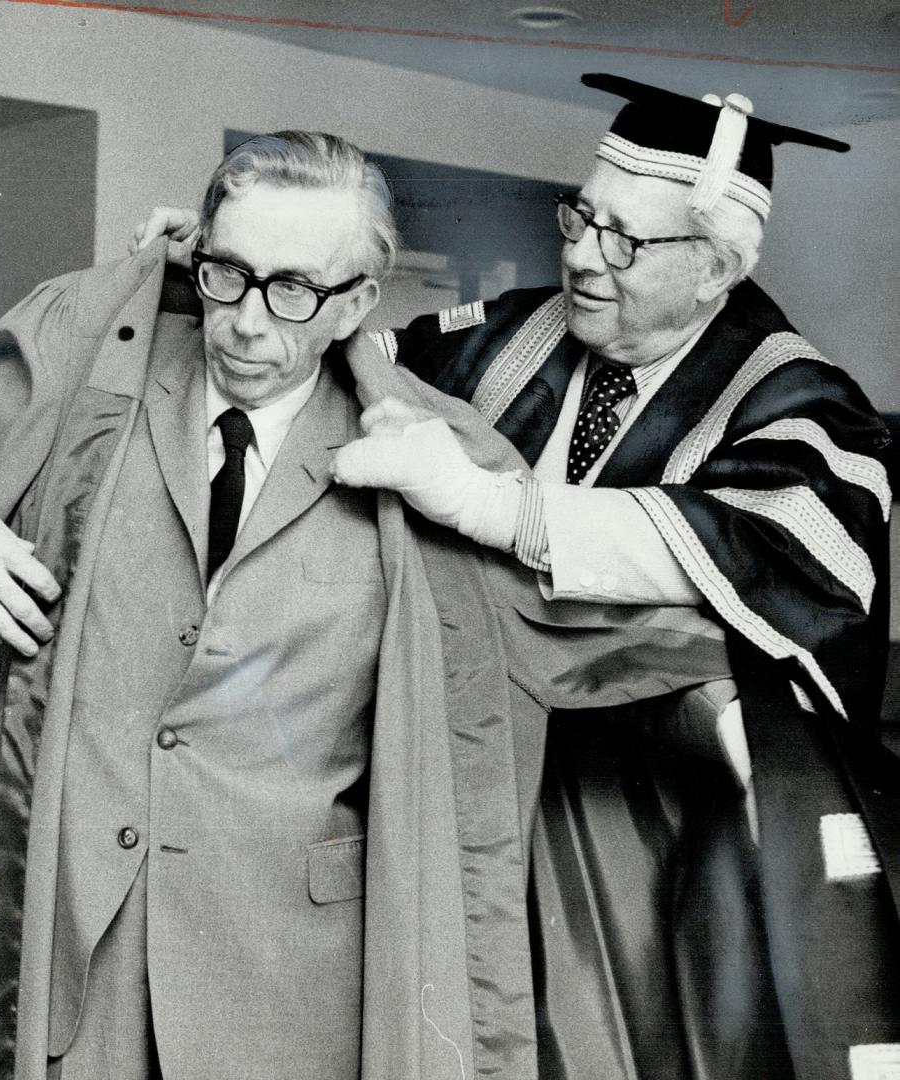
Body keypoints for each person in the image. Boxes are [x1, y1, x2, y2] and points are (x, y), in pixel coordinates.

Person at [0, 131, 733, 1080]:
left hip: (289, 994)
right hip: (64, 966)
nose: (241, 321)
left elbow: (603, 644)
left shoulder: (428, 461)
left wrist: (749, 730)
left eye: (290, 290)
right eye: (225, 274)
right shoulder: (87, 389)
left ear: (359, 302)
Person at [328, 77, 899, 1079]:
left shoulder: (803, 401)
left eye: (624, 241)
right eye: (581, 217)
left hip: (666, 830)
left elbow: (756, 549)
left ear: (714, 265)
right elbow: (363, 355)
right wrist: (253, 278)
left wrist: (497, 509)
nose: (582, 256)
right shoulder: (514, 333)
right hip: (486, 778)